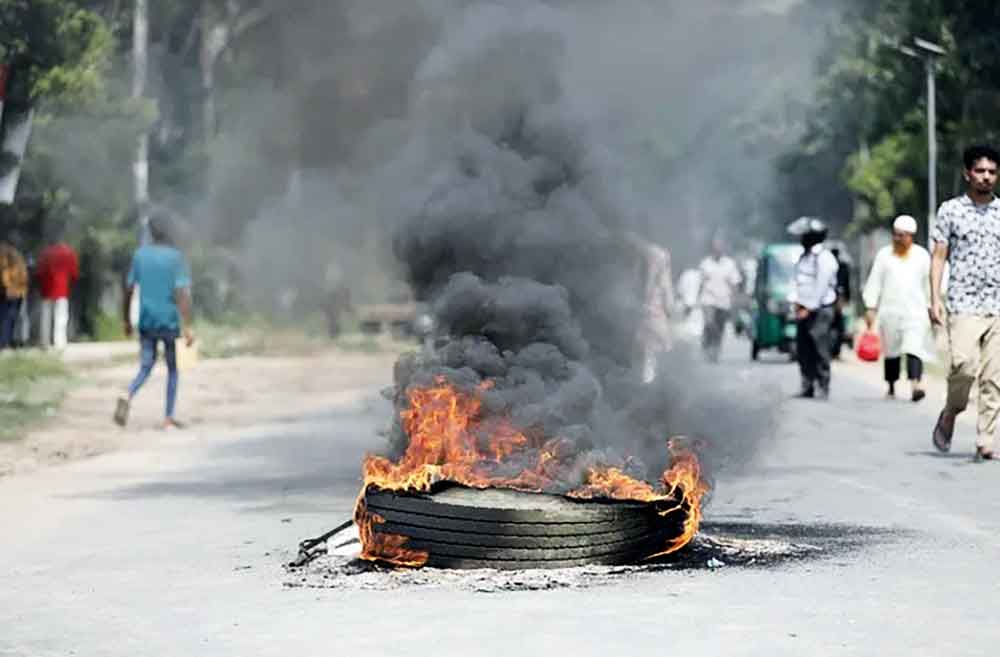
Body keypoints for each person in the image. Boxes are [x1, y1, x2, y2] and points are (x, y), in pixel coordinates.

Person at [930, 144, 1000, 461]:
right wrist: (934, 299)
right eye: (980, 171)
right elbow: (939, 257)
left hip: (997, 304)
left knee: (994, 377)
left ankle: (986, 438)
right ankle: (951, 410)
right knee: (963, 365)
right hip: (963, 302)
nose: (986, 177)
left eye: (992, 172)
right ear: (967, 174)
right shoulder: (950, 211)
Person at [114, 212, 195, 429]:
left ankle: (128, 392)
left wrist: (126, 320)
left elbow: (129, 289)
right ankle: (168, 417)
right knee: (173, 369)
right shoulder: (176, 258)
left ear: (150, 232)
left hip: (147, 321)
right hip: (169, 322)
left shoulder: (140, 256)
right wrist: (187, 325)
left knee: (146, 366)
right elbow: (181, 293)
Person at [862, 215, 935, 401]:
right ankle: (891, 385)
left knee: (914, 348)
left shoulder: (922, 256)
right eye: (895, 235)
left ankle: (916, 383)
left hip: (915, 312)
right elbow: (874, 282)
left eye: (902, 235)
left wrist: (932, 306)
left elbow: (929, 284)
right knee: (891, 351)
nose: (898, 239)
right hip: (890, 311)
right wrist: (871, 307)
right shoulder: (884, 255)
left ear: (911, 236)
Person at [789, 217, 839, 399]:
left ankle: (823, 385)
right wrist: (796, 302)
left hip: (819, 310)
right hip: (804, 309)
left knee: (819, 348)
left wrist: (808, 308)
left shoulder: (824, 258)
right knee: (803, 349)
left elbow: (821, 286)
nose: (801, 239)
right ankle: (807, 385)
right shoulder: (804, 257)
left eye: (804, 236)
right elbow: (799, 282)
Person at [697, 238, 741, 362]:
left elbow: (735, 283)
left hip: (723, 300)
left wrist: (734, 299)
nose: (718, 249)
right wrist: (697, 298)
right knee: (710, 324)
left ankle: (715, 349)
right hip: (708, 299)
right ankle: (707, 344)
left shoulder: (729, 264)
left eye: (720, 247)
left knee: (720, 327)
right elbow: (701, 282)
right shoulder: (705, 263)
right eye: (716, 247)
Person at [36, 237, 79, 350]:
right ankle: (59, 343)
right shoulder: (68, 252)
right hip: (62, 289)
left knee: (45, 317)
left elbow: (39, 272)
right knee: (61, 318)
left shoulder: (45, 253)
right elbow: (74, 273)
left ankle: (44, 342)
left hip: (46, 290)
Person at [0, 241, 28, 350]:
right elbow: (24, 277)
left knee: (5, 318)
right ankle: (11, 341)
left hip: (8, 294)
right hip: (19, 293)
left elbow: (5, 278)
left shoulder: (5, 259)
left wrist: (7, 288)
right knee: (12, 319)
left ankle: (4, 343)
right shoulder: (19, 259)